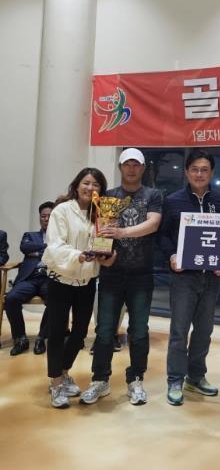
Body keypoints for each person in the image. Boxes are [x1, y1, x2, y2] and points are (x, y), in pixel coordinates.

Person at [80, 148, 162, 406]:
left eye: (136, 164)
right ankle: (100, 380)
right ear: (120, 167)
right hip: (111, 274)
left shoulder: (153, 195)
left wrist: (122, 232)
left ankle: (135, 379)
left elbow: (153, 224)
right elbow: (100, 233)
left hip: (141, 275)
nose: (131, 168)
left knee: (139, 331)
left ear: (143, 168)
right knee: (104, 330)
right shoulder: (107, 197)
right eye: (127, 164)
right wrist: (102, 256)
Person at [160, 150, 220, 406]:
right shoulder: (173, 201)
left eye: (204, 169)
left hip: (211, 279)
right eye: (195, 169)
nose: (199, 174)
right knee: (179, 331)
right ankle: (175, 379)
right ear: (187, 172)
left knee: (204, 331)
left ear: (212, 172)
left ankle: (196, 377)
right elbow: (163, 235)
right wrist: (171, 256)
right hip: (183, 278)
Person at [42, 168, 114, 408]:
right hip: (61, 280)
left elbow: (103, 243)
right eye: (86, 183)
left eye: (96, 185)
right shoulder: (62, 210)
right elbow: (54, 244)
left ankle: (63, 371)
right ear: (77, 185)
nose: (90, 188)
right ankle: (55, 383)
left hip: (86, 281)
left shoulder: (101, 213)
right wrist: (78, 256)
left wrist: (106, 256)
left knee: (80, 332)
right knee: (56, 332)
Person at [5, 201, 54, 356]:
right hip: (29, 278)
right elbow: (25, 247)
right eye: (43, 216)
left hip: (49, 278)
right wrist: (46, 247)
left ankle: (41, 338)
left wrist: (36, 252)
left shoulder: (60, 237)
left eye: (49, 216)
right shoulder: (30, 235)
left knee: (56, 299)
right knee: (11, 298)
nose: (46, 219)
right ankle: (21, 338)